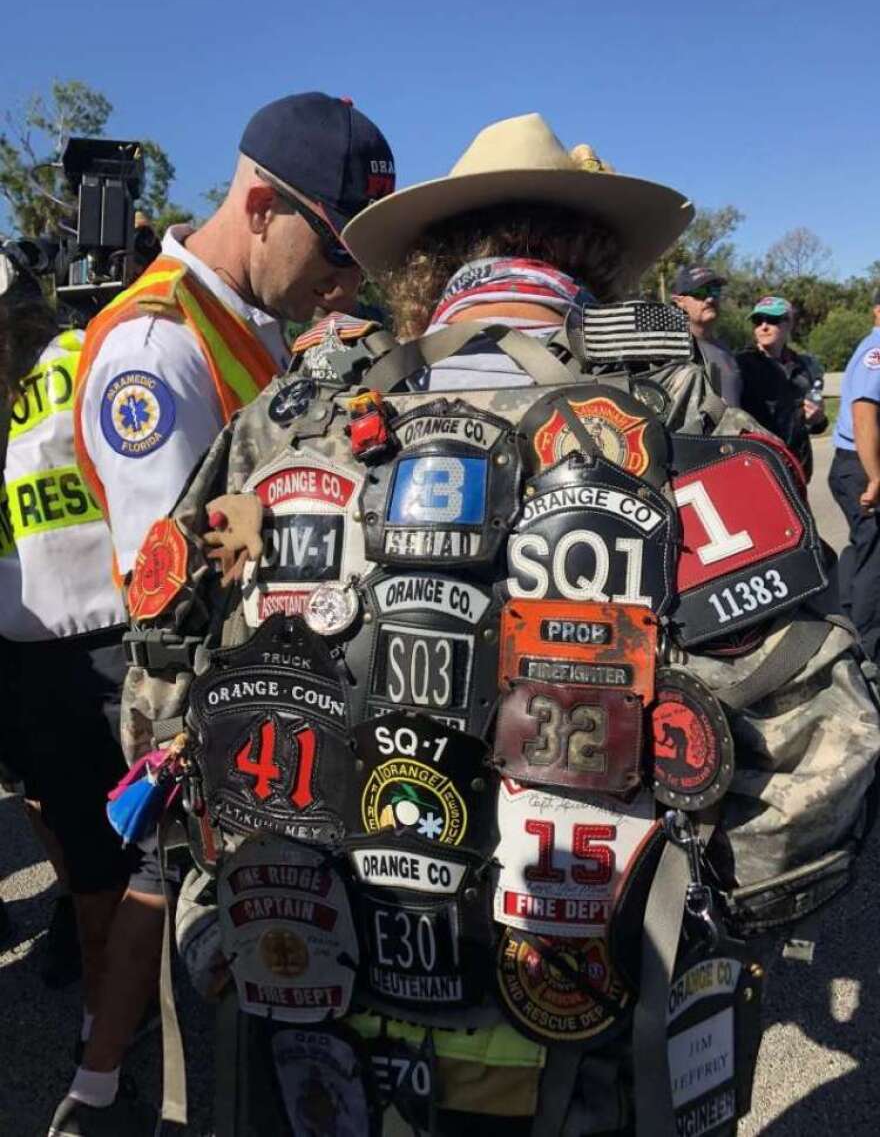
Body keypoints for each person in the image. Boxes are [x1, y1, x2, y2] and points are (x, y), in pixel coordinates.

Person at [119, 114, 877, 1136]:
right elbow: (823, 762)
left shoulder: (292, 416)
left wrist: (241, 910)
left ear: (425, 265)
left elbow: (160, 704)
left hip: (316, 1024)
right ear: (596, 254)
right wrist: (681, 926)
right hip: (585, 1048)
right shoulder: (684, 420)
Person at [49, 92, 395, 1137]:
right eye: (334, 254)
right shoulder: (159, 347)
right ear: (258, 204)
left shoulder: (245, 323)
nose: (345, 284)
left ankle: (103, 1080)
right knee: (188, 900)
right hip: (198, 678)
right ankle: (107, 1092)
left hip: (262, 667)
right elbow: (180, 589)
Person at [0, 243, 134, 1058]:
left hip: (95, 648)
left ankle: (108, 1023)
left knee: (102, 854)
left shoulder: (84, 358)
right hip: (25, 654)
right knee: (58, 820)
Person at [828, 288, 880, 665]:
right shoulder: (876, 351)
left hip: (859, 465)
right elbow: (864, 413)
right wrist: (876, 477)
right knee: (875, 556)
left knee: (864, 550)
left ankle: (849, 621)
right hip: (861, 467)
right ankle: (869, 650)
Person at [736, 295, 824, 480]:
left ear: (789, 323)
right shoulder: (740, 365)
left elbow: (813, 424)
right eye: (758, 321)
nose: (764, 326)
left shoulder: (805, 366)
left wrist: (817, 419)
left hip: (797, 469)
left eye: (772, 320)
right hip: (759, 469)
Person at [670, 264, 742, 405]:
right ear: (680, 302)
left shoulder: (726, 351)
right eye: (700, 292)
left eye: (714, 291)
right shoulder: (672, 351)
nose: (710, 299)